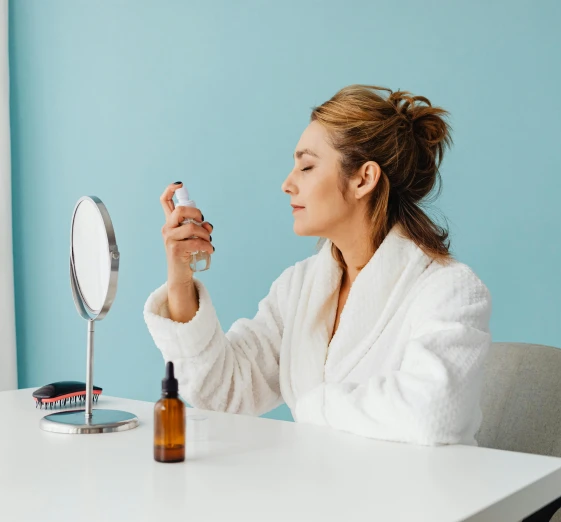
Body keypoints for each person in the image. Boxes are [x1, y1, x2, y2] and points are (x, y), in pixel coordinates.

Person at [143, 85, 491, 446]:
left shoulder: (448, 290)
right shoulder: (299, 288)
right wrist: (181, 278)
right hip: (323, 493)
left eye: (307, 166)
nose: (287, 184)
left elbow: (433, 414)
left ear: (363, 179)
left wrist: (314, 407)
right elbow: (223, 390)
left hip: (420, 498)